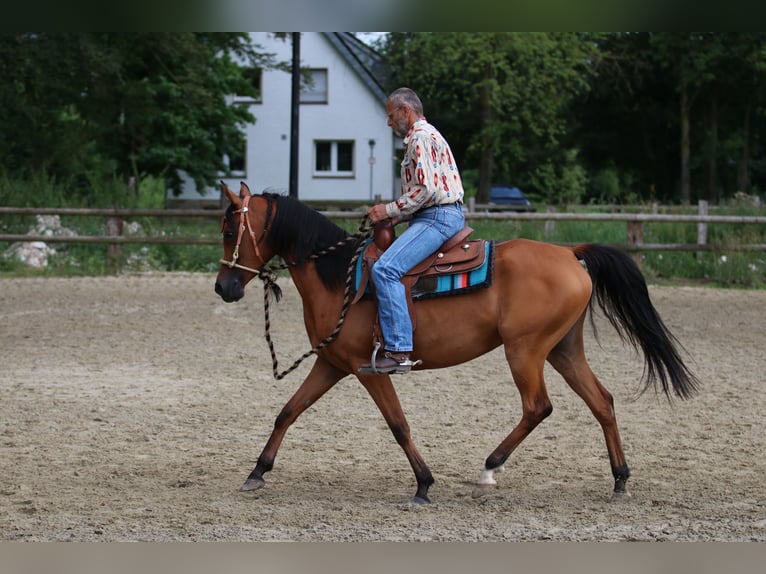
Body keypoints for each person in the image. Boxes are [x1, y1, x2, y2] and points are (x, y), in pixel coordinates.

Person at [360, 87, 465, 375]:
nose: (389, 122)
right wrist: (396, 219)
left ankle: (398, 351)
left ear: (405, 111)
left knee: (385, 270)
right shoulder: (426, 135)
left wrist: (389, 210)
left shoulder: (420, 137)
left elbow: (427, 190)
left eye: (391, 116)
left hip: (438, 218)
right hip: (434, 215)